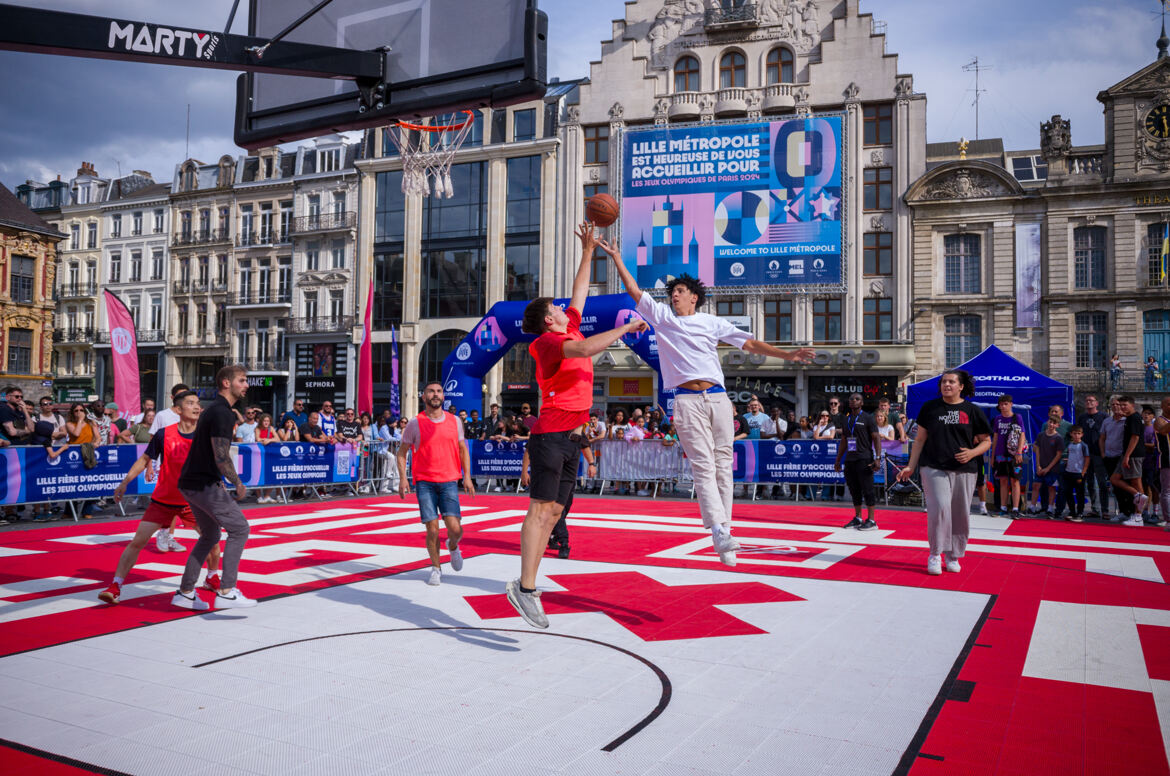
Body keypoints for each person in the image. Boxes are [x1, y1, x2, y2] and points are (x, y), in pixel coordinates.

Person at [604, 235, 813, 568]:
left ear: (694, 297)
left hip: (717, 398)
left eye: (680, 291)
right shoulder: (662, 318)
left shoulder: (712, 322)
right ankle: (717, 530)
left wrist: (788, 354)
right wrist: (616, 256)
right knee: (702, 465)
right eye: (672, 292)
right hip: (686, 401)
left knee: (723, 467)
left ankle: (725, 533)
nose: (674, 295)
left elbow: (751, 344)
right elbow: (634, 292)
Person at [506, 223, 650, 629]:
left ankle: (526, 585)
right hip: (550, 434)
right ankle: (527, 588)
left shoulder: (565, 324)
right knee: (539, 511)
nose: (560, 306)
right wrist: (626, 327)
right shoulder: (547, 343)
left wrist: (588, 251)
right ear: (546, 317)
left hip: (571, 436)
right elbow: (586, 348)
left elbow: (580, 293)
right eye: (554, 306)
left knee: (555, 511)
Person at [97, 391, 223, 604]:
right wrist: (125, 481)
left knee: (212, 540)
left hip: (193, 501)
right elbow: (144, 459)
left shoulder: (205, 435)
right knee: (138, 541)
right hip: (163, 500)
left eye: (198, 404)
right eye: (191, 403)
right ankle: (115, 586)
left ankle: (211, 577)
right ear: (179, 410)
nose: (196, 407)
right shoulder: (165, 434)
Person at [173, 364, 256, 610]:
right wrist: (237, 482)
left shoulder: (213, 410)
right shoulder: (223, 413)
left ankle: (186, 592)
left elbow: (209, 452)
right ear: (226, 383)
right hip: (203, 484)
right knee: (240, 529)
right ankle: (227, 590)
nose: (246, 385)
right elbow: (221, 455)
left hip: (191, 482)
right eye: (242, 380)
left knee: (210, 535)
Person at [896, 370, 991, 575]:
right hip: (933, 466)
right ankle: (935, 554)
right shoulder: (930, 408)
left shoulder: (972, 410)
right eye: (944, 382)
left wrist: (972, 453)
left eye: (951, 382)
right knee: (939, 508)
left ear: (961, 386)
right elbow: (920, 440)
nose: (946, 385)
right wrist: (910, 465)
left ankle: (953, 556)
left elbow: (987, 441)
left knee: (960, 513)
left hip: (965, 470)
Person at [396, 382, 474, 586]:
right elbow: (402, 453)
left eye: (439, 391)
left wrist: (467, 476)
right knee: (432, 528)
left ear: (443, 396)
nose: (435, 394)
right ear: (423, 397)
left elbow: (463, 449)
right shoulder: (415, 423)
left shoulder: (455, 421)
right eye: (431, 391)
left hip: (449, 480)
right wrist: (403, 478)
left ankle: (453, 546)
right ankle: (436, 568)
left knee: (455, 528)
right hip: (425, 482)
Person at [835, 392, 882, 530]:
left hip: (864, 457)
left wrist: (877, 458)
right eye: (851, 399)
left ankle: (872, 520)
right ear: (848, 403)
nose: (854, 401)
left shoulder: (868, 418)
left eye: (857, 399)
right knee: (854, 489)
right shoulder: (846, 419)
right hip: (850, 459)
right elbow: (844, 440)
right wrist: (838, 460)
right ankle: (858, 517)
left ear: (861, 403)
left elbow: (876, 438)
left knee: (867, 489)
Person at [1110, 395, 1149, 526]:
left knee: (1136, 481)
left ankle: (1138, 516)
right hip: (1126, 454)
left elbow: (1135, 438)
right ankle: (1137, 496)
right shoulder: (1129, 418)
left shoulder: (1135, 418)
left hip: (1134, 454)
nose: (1121, 408)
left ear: (1132, 405)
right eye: (1120, 405)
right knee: (1114, 478)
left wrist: (1127, 456)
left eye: (1124, 405)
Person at [991, 395, 1028, 519]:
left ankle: (1016, 508)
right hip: (1000, 454)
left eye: (1005, 404)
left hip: (1014, 454)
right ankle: (1003, 508)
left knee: (1015, 481)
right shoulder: (997, 419)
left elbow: (1022, 435)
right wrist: (992, 456)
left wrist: (1019, 452)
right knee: (1002, 481)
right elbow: (995, 438)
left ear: (1011, 404)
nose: (1003, 406)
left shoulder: (1017, 417)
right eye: (1001, 404)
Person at [1100, 397, 1130, 519]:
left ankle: (1131, 511)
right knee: (1115, 486)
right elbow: (1102, 438)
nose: (1115, 407)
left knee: (1126, 484)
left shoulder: (1127, 420)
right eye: (1113, 404)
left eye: (1118, 404)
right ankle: (1122, 511)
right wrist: (1103, 453)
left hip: (1121, 457)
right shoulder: (1106, 421)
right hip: (1109, 456)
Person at [1029, 417, 1065, 518]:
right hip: (1041, 467)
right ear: (1047, 422)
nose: (1051, 425)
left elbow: (1058, 455)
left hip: (1053, 469)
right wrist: (1038, 466)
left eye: (1054, 423)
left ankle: (1050, 508)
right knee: (1036, 485)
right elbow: (1037, 450)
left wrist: (1048, 468)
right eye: (1050, 422)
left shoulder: (1058, 438)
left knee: (1051, 487)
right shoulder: (1041, 435)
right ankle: (1032, 507)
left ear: (1058, 425)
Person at [1079, 394, 1108, 518]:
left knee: (1102, 482)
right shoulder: (1082, 417)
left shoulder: (1104, 417)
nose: (1088, 402)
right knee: (1089, 482)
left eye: (1091, 401)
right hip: (1085, 455)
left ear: (1097, 403)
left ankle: (1105, 510)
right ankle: (1094, 509)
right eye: (1087, 401)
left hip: (1099, 454)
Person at [1059, 425, 1090, 522]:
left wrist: (1083, 472)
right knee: (1068, 493)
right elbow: (1071, 456)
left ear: (1082, 435)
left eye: (1078, 433)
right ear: (1071, 434)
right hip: (1069, 472)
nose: (1076, 435)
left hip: (1079, 473)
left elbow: (1087, 458)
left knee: (1080, 494)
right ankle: (1072, 512)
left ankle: (1080, 513)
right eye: (1074, 433)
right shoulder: (1070, 444)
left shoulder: (1084, 445)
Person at [1142, 406, 1161, 524]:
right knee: (1144, 488)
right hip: (1142, 462)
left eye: (1149, 414)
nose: (1146, 416)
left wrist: (1141, 444)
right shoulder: (1140, 428)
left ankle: (1155, 512)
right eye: (1144, 413)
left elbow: (1154, 446)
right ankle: (1145, 511)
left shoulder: (1155, 429)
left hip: (1152, 461)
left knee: (1154, 487)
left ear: (1153, 416)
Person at [254, 413, 279, 504]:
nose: (266, 423)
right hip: (258, 454)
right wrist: (266, 439)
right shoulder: (257, 429)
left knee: (271, 473)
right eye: (265, 421)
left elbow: (278, 439)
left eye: (268, 421)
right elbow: (257, 439)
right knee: (257, 475)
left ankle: (267, 495)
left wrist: (269, 440)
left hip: (269, 454)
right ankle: (259, 496)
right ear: (261, 421)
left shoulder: (271, 429)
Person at [1155, 396, 1170, 532]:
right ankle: (1168, 520)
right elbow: (1163, 430)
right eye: (1169, 404)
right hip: (1167, 460)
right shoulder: (1159, 420)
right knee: (1167, 491)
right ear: (1162, 406)